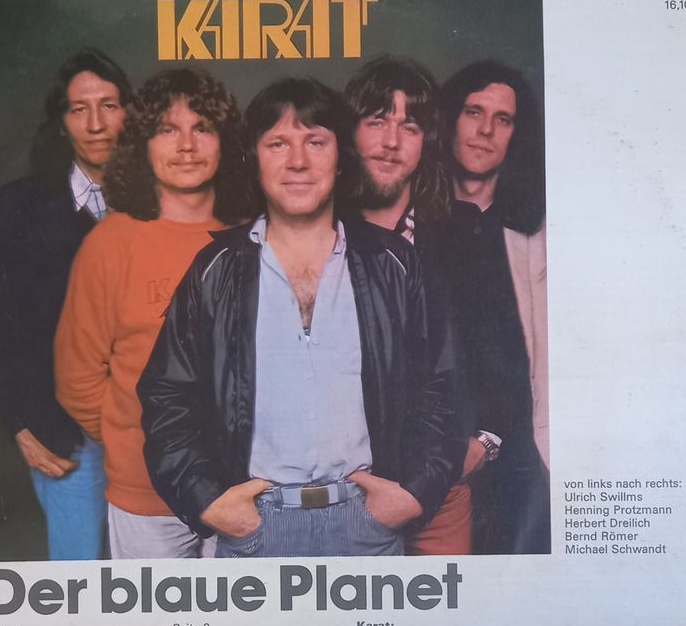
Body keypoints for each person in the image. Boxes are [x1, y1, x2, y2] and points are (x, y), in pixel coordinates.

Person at [138, 77, 465, 558]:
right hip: (254, 526)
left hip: (368, 524)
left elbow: (444, 388)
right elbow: (167, 395)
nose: (297, 162)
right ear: (254, 159)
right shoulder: (215, 269)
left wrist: (413, 494)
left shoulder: (394, 264)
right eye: (278, 144)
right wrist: (208, 503)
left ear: (340, 157)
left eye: (315, 142)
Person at [55, 68, 244, 559]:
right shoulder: (111, 244)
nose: (187, 145)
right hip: (144, 495)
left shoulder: (254, 237)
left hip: (241, 490)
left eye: (202, 127)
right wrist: (133, 444)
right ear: (143, 143)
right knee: (153, 612)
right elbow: (78, 378)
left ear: (224, 142)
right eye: (167, 129)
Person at [0, 48, 130, 560]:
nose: (96, 124)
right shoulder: (11, 209)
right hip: (66, 435)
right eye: (78, 109)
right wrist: (21, 425)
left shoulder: (168, 203)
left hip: (152, 434)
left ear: (130, 114)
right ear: (61, 122)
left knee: (159, 578)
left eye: (109, 105)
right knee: (81, 575)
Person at [345, 56, 479, 555]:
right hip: (347, 490)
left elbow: (503, 354)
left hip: (443, 487)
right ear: (350, 131)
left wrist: (483, 443)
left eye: (410, 126)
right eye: (377, 121)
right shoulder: (316, 226)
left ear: (427, 141)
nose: (391, 141)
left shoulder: (463, 230)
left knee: (444, 604)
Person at [429, 60, 550, 553]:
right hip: (432, 459)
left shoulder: (536, 233)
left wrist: (490, 442)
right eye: (474, 112)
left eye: (503, 119)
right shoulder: (416, 225)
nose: (485, 130)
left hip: (520, 458)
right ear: (449, 120)